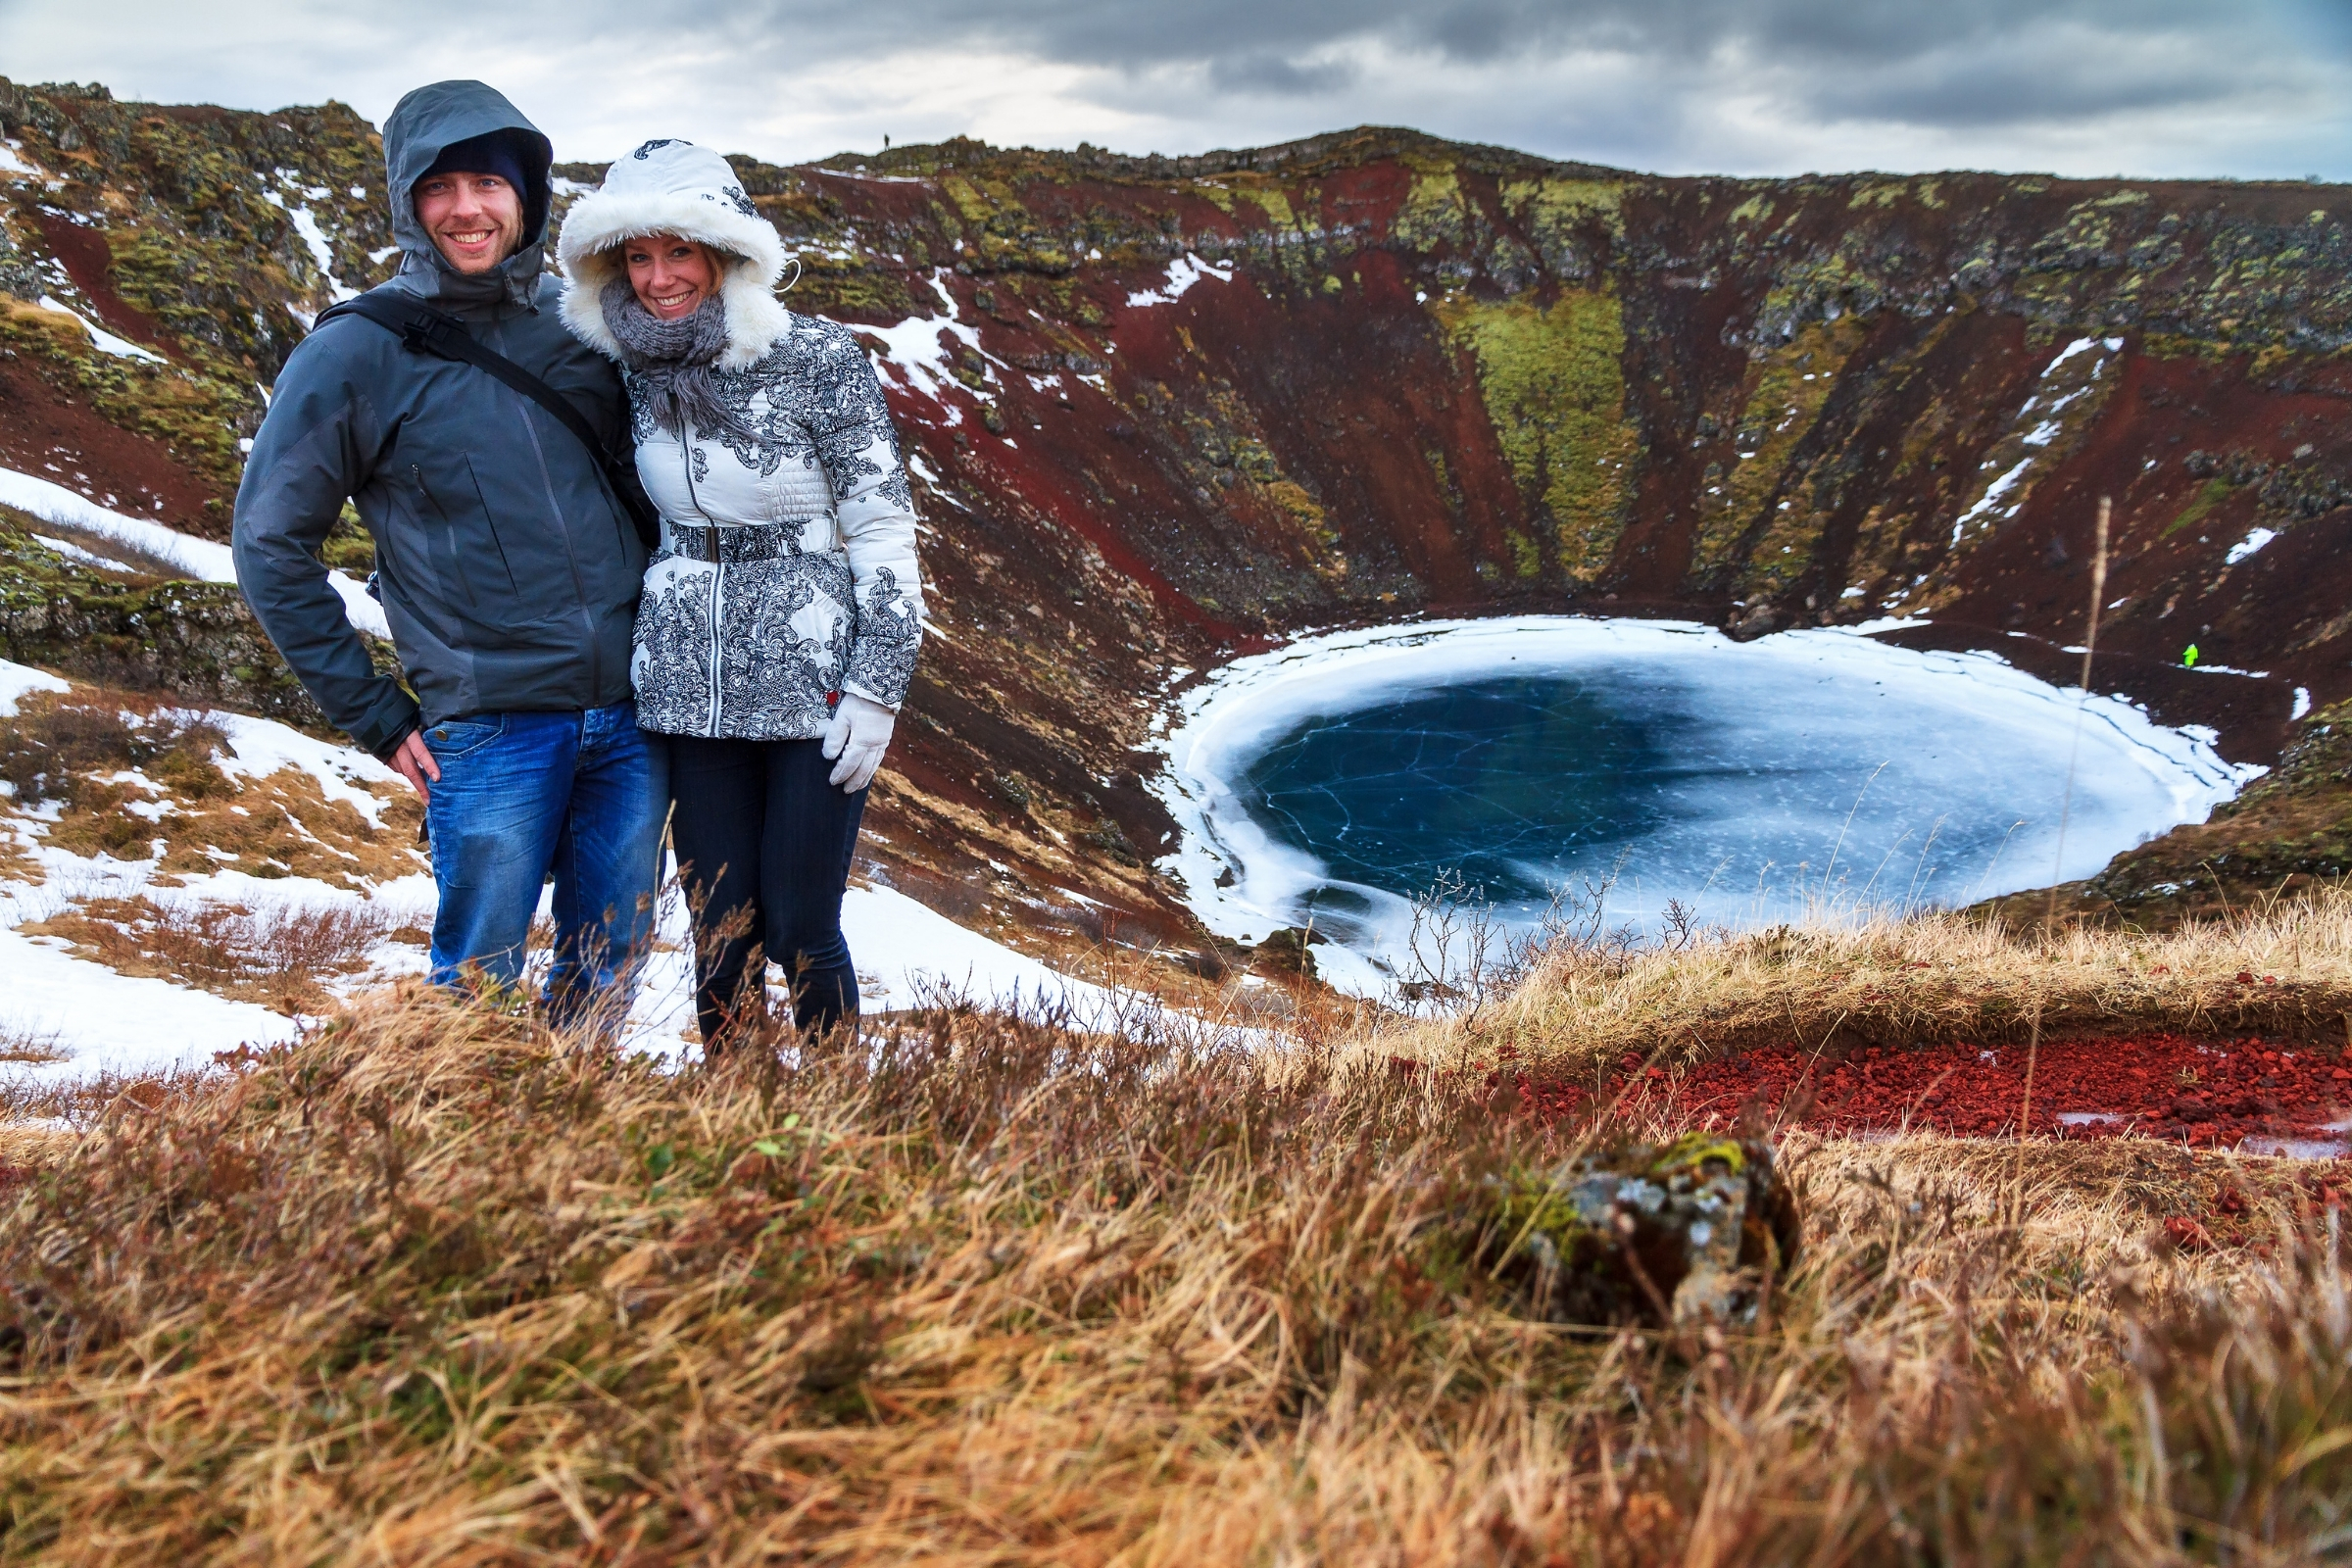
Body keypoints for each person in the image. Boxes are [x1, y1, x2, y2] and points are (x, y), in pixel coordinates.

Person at [232, 80, 665, 1022]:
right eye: (439, 187)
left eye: (487, 184)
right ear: (407, 201)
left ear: (526, 196)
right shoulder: (356, 351)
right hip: (491, 725)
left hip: (633, 715)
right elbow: (268, 542)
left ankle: (578, 1114)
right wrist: (375, 714)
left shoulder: (582, 324)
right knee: (475, 987)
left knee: (611, 964)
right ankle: (462, 1115)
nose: (466, 209)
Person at [557, 139, 923, 1052]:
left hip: (814, 677)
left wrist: (878, 687)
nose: (659, 279)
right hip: (689, 683)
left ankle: (838, 1113)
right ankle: (732, 1107)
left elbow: (882, 527)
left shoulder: (817, 356)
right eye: (637, 256)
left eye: (680, 251)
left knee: (801, 926)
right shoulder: (625, 364)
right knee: (722, 935)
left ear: (726, 251)